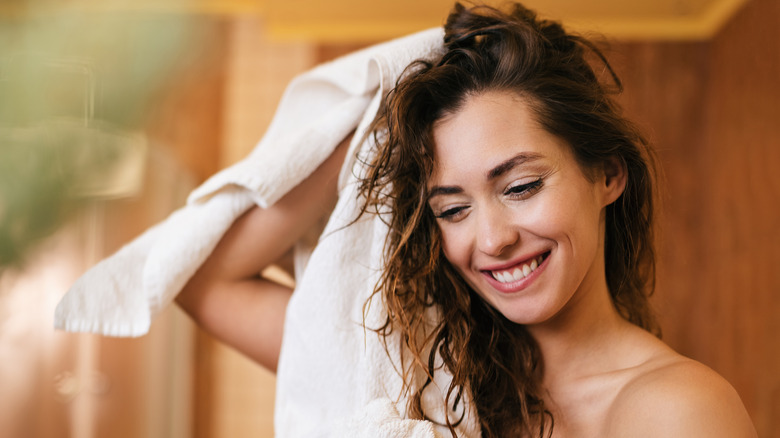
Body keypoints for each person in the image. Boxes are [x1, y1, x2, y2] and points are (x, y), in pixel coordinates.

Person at [177, 2, 757, 437]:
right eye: (453, 209)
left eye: (522, 186)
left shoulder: (679, 409)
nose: (493, 239)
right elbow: (202, 279)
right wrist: (369, 122)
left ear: (607, 175)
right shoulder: (415, 371)